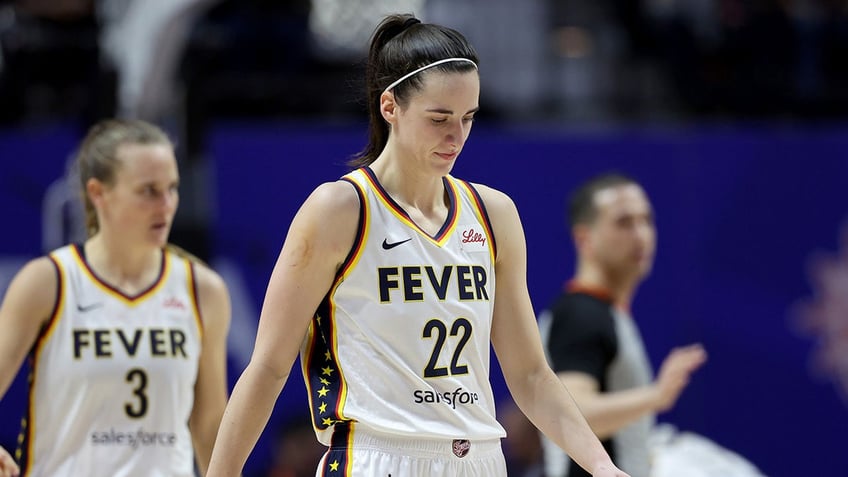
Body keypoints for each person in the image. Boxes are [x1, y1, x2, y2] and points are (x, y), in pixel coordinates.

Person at [206, 13, 629, 477]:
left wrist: (602, 467)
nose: (456, 136)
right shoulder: (339, 209)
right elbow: (267, 367)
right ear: (391, 106)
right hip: (377, 455)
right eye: (439, 118)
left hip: (480, 459)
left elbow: (530, 375)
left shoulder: (494, 213)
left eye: (468, 118)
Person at [0, 118, 232, 477]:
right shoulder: (49, 282)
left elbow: (210, 424)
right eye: (148, 191)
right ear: (98, 193)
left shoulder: (203, 290)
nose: (166, 204)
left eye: (172, 188)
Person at [538, 172, 708, 477]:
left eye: (646, 221)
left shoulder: (606, 312)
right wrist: (655, 396)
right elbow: (573, 417)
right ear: (584, 238)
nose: (641, 234)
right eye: (624, 222)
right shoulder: (580, 315)